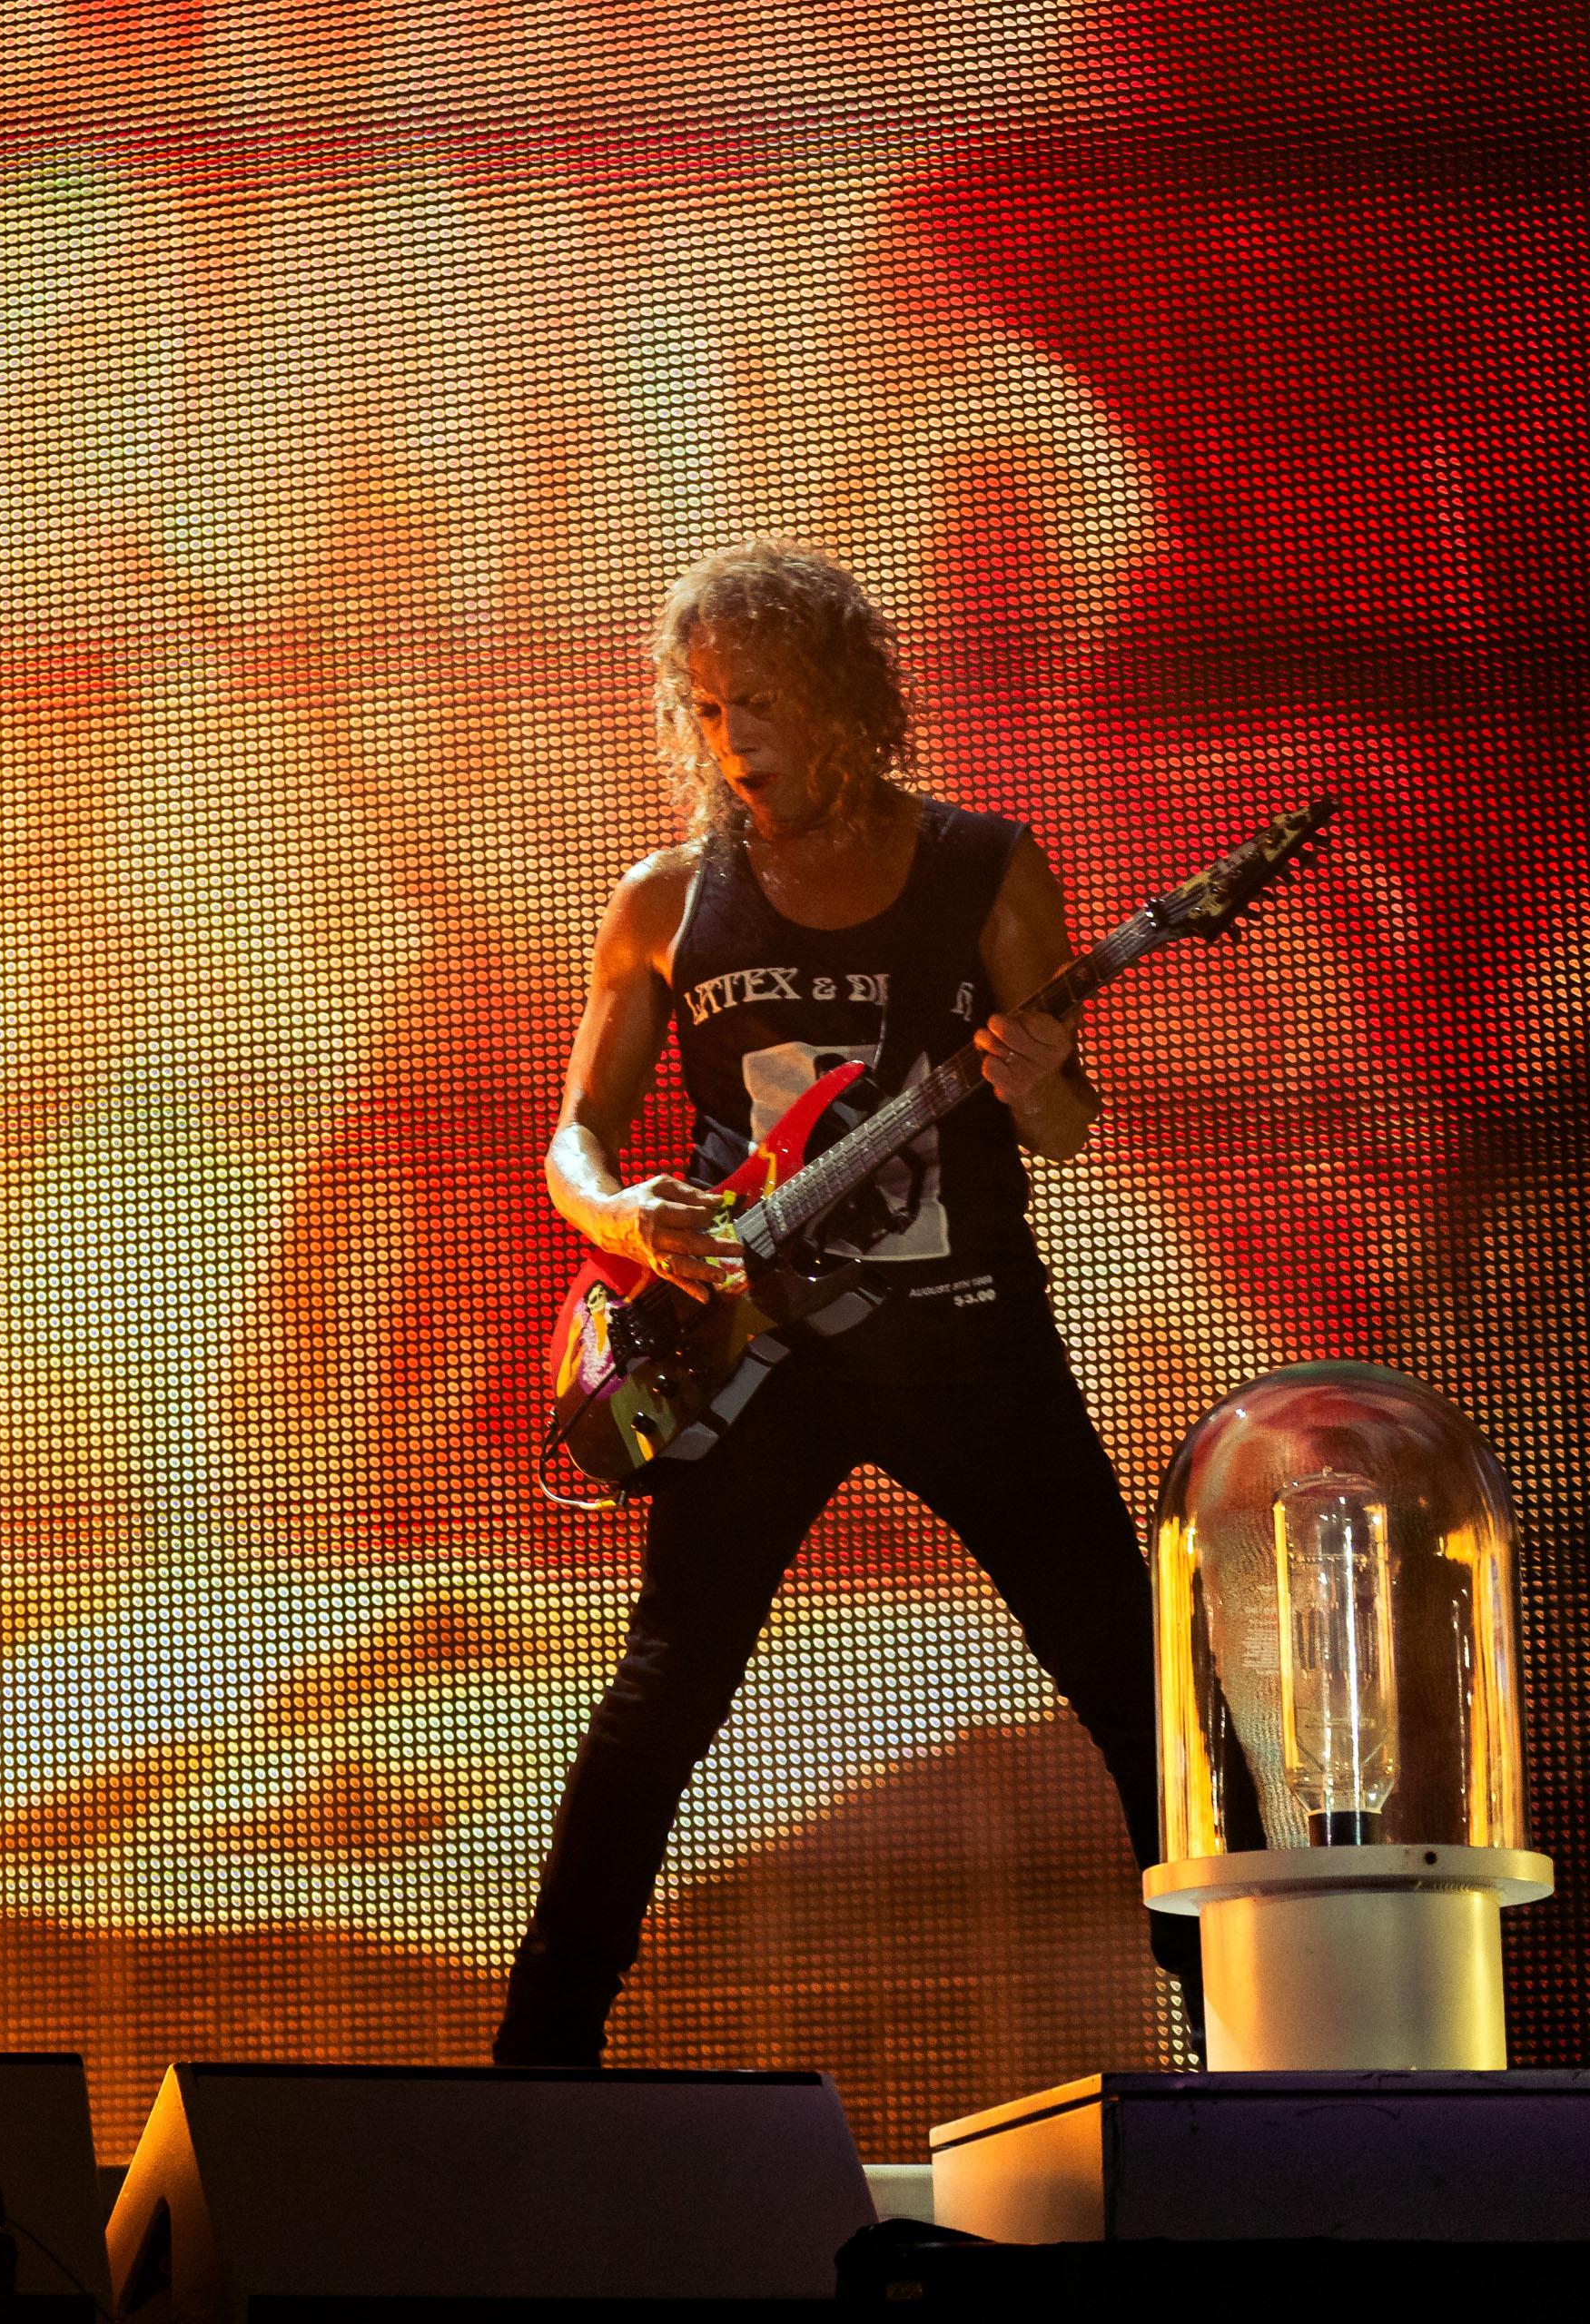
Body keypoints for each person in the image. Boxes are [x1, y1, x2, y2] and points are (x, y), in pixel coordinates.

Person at [495, 539, 1200, 2067]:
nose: (732, 739)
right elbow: (573, 1142)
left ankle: (1256, 2042)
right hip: (755, 1354)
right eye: (705, 707)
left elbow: (1066, 1125)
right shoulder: (665, 901)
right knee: (664, 1701)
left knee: (1133, 1681)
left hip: (969, 1337)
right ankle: (535, 2073)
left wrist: (1037, 1080)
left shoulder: (984, 871)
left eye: (760, 701)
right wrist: (625, 1214)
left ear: (843, 697)